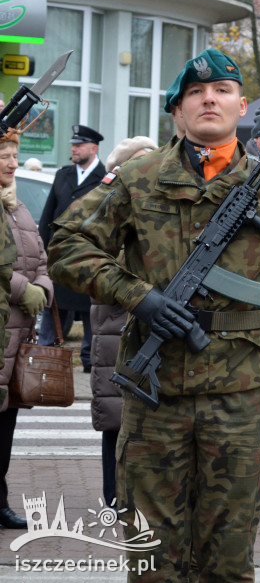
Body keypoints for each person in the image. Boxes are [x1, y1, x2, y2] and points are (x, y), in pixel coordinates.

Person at [47, 48, 260, 583]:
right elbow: (66, 246)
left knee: (227, 562)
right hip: (156, 399)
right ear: (177, 110)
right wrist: (139, 297)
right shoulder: (138, 177)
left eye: (221, 90)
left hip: (240, 398)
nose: (208, 99)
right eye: (195, 93)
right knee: (152, 560)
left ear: (242, 105)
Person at [89, 137, 158, 508]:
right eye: (142, 161)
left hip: (151, 324)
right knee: (116, 416)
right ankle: (113, 495)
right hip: (116, 323)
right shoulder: (108, 205)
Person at [0, 134, 51, 530]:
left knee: (5, 428)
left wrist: (44, 289)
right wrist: (24, 290)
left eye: (15, 155)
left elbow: (42, 259)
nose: (12, 163)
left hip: (18, 338)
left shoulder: (18, 209)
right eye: (4, 155)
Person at [38, 123, 106, 372]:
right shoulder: (63, 174)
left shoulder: (105, 179)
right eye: (73, 145)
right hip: (58, 256)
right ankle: (45, 356)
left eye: (79, 145)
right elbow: (48, 216)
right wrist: (42, 251)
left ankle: (89, 360)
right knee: (53, 307)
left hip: (88, 257)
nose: (74, 149)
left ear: (93, 148)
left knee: (89, 312)